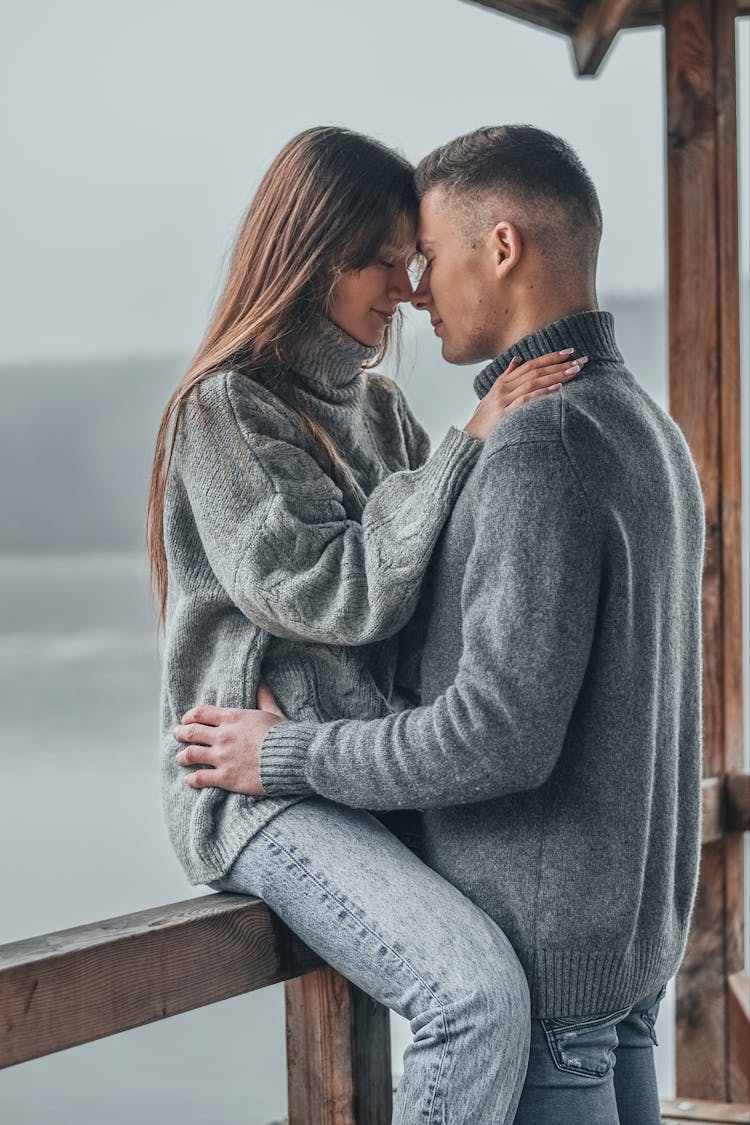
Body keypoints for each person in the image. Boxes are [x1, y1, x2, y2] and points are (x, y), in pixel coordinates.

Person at [174, 125, 706, 1124]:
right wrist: (466, 443)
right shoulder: (639, 427)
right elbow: (331, 591)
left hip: (553, 934)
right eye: (382, 259)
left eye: (413, 256)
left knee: (474, 997)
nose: (411, 287)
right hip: (250, 776)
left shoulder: (523, 436)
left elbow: (485, 703)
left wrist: (296, 753)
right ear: (305, 254)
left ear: (498, 249)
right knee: (470, 994)